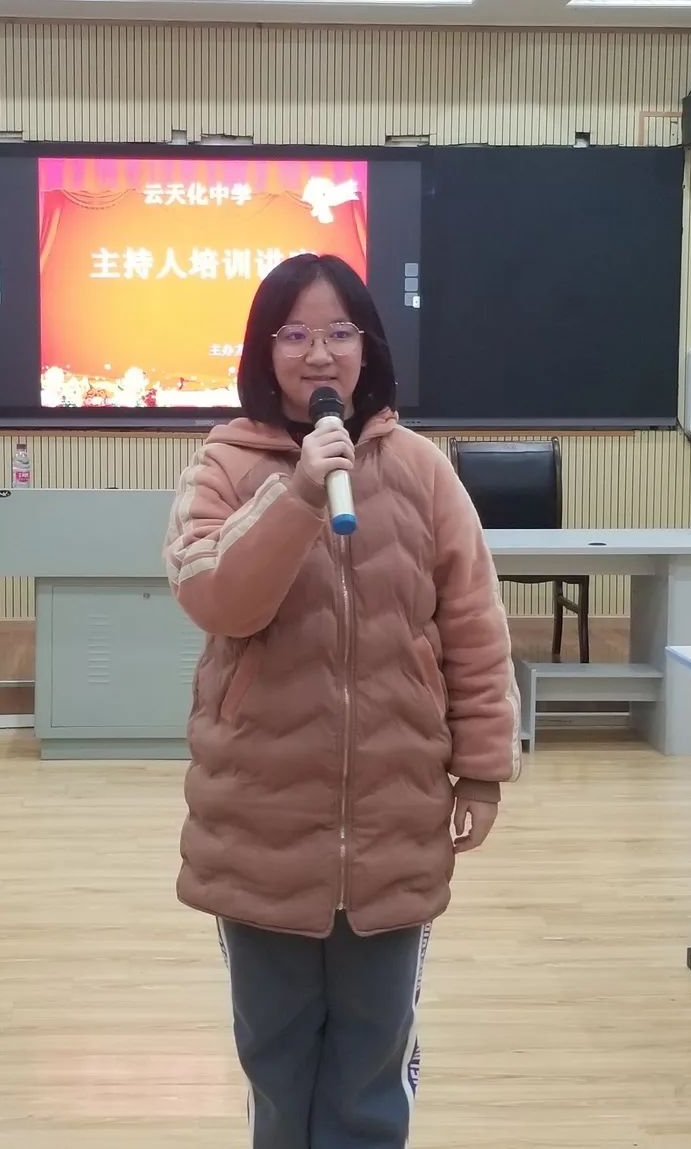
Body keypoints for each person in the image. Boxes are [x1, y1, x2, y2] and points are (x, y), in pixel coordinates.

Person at [164, 253, 520, 1149]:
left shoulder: (420, 469)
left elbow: (474, 624)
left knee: (372, 1064)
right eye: (294, 334)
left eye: (337, 332)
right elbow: (216, 599)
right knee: (277, 1060)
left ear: (368, 348)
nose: (318, 353)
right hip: (260, 822)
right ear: (264, 349)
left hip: (396, 819)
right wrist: (295, 492)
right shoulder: (224, 465)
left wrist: (481, 769)